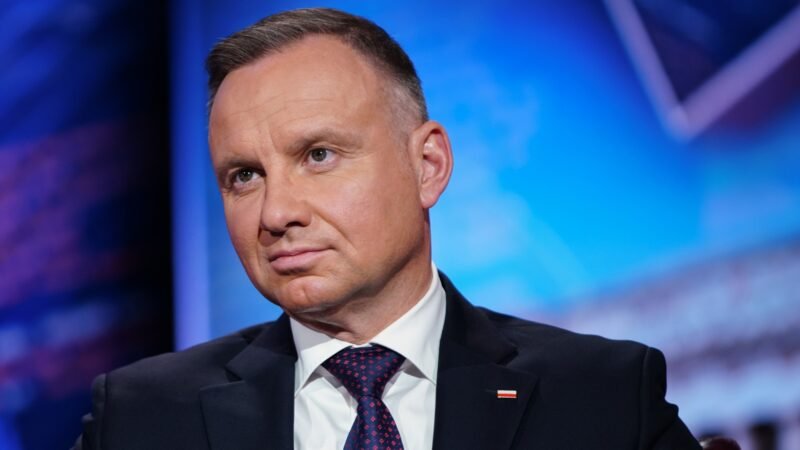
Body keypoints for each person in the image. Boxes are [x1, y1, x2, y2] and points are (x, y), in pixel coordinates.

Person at [73, 7, 701, 450]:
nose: (275, 212)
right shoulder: (140, 419)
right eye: (244, 176)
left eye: (318, 155)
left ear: (427, 166)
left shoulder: (601, 395)